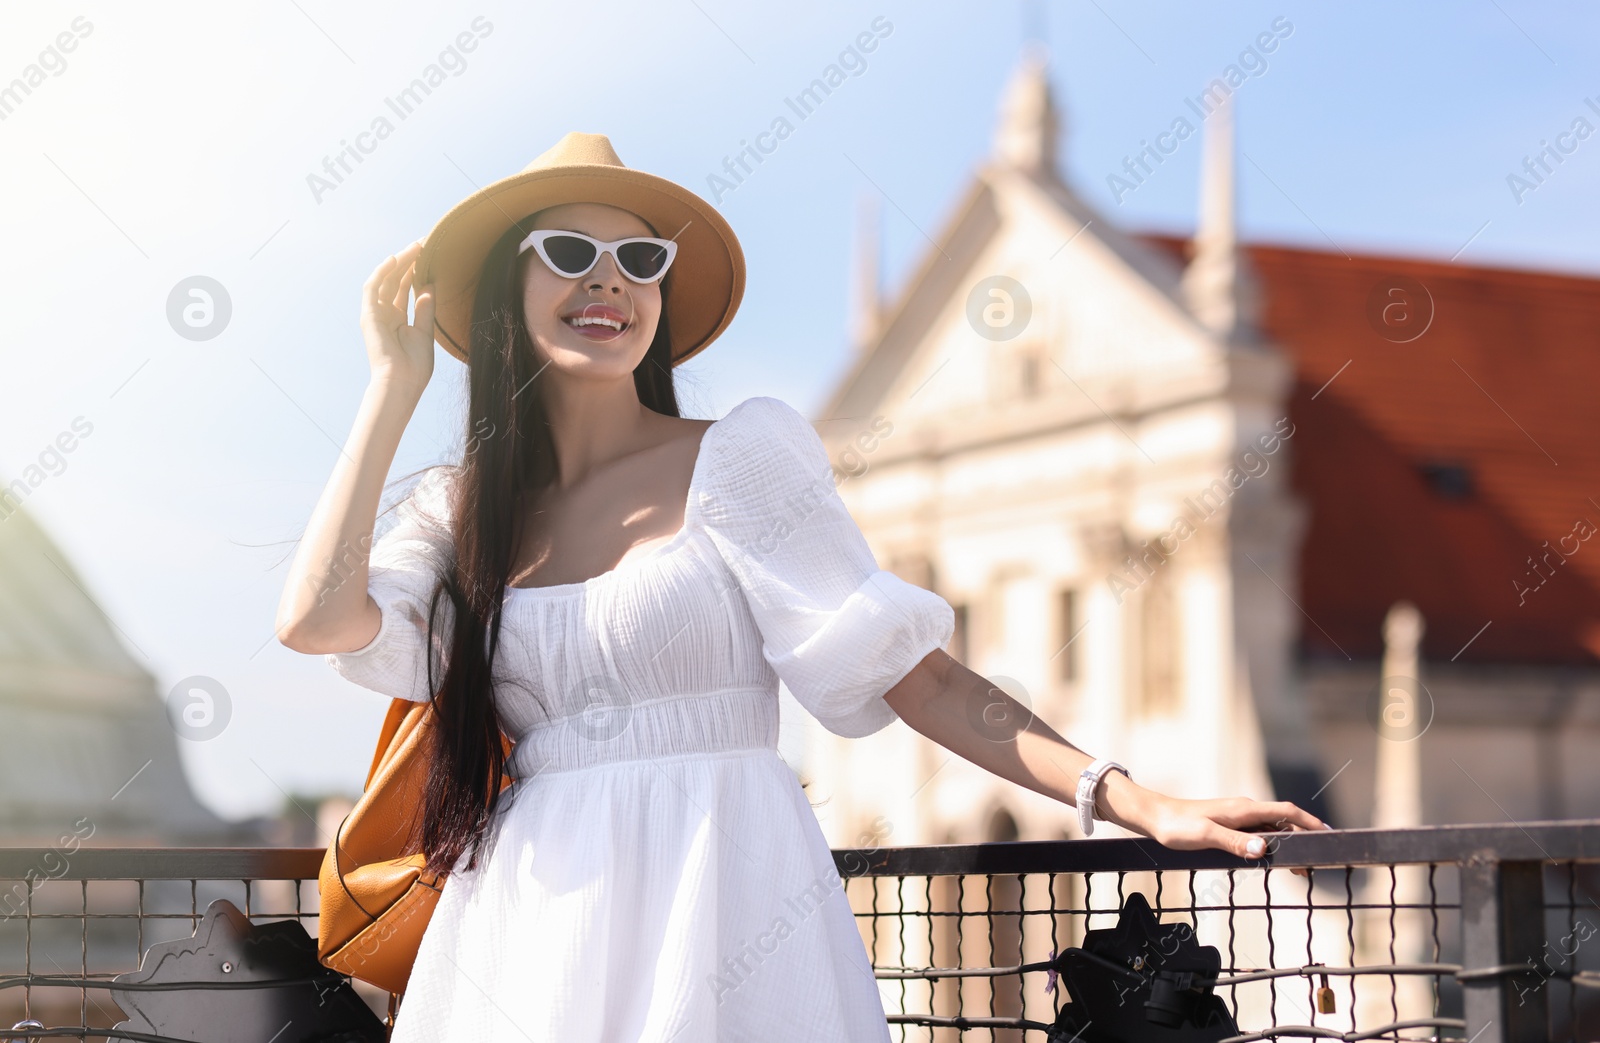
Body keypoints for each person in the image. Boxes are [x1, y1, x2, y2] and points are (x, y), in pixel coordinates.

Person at [276, 132, 1325, 1042]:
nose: (610, 281)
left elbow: (923, 680)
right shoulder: (463, 514)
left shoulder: (742, 457)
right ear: (507, 286)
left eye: (638, 259)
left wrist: (1136, 800)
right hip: (529, 916)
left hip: (725, 898)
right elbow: (315, 618)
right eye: (569, 253)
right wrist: (394, 383)